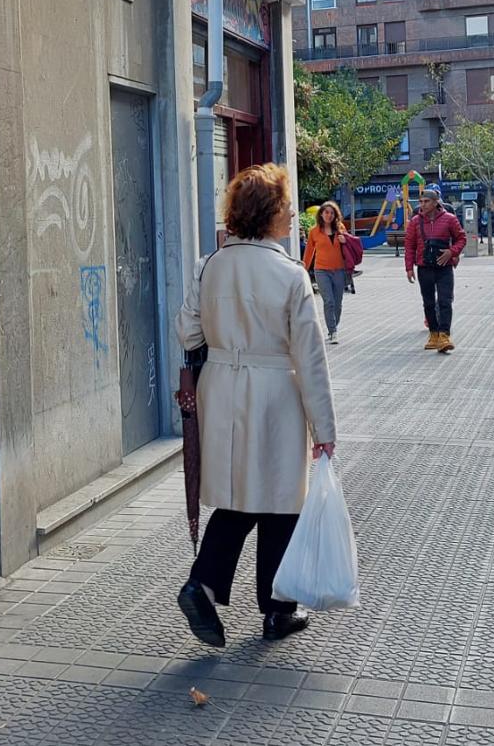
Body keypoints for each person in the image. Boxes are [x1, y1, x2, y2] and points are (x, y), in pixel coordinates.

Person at [174, 164, 338, 646]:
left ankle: (202, 584)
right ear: (268, 213)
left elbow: (187, 331)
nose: (292, 214)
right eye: (287, 206)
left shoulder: (211, 264)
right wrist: (324, 426)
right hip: (276, 391)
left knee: (240, 495)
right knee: (283, 499)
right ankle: (276, 610)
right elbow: (311, 359)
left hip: (222, 388)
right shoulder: (290, 274)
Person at [405, 188, 466, 353]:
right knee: (429, 303)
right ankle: (433, 333)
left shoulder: (450, 219)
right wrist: (409, 268)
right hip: (424, 267)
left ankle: (444, 335)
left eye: (426, 201)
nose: (422, 205)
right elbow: (409, 245)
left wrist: (452, 252)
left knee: (445, 301)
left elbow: (461, 238)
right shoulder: (416, 222)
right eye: (421, 202)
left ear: (435, 202)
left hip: (444, 267)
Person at [302, 200, 349, 344]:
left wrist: (344, 240)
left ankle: (334, 326)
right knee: (328, 301)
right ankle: (332, 331)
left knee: (338, 302)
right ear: (321, 214)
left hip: (339, 270)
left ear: (335, 215)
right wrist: (303, 270)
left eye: (331, 213)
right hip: (321, 270)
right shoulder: (314, 232)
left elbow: (350, 245)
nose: (329, 215)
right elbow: (309, 252)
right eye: (326, 212)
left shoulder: (340, 228)